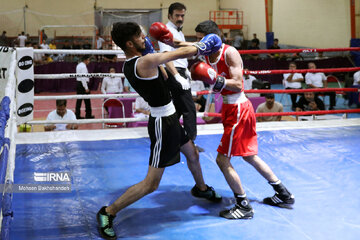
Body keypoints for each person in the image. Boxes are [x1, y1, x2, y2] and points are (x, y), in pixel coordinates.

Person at [96, 21, 223, 239]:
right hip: (162, 124)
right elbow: (183, 53)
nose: (144, 37)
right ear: (129, 43)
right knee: (151, 184)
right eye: (139, 36)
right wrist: (204, 44)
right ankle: (108, 212)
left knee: (192, 153)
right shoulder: (144, 62)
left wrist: (153, 48)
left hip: (171, 116)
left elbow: (165, 77)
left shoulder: (137, 62)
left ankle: (200, 188)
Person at [192, 20, 294, 220]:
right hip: (231, 109)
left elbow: (238, 84)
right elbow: (186, 50)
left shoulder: (229, 53)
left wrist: (215, 78)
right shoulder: (205, 53)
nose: (198, 44)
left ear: (212, 38)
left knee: (222, 159)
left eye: (200, 39)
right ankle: (283, 192)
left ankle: (243, 205)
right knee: (249, 155)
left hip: (238, 109)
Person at [157, 2, 202, 151]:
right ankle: (190, 144)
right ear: (170, 15)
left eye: (182, 15)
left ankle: (169, 139)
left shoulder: (178, 32)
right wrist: (177, 75)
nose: (180, 18)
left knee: (178, 109)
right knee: (189, 107)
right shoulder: (166, 31)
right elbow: (165, 55)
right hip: (174, 71)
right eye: (177, 15)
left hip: (180, 70)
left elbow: (180, 54)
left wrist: (186, 70)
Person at [75, 55, 94, 119]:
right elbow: (83, 78)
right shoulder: (83, 66)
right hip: (83, 84)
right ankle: (88, 115)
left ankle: (77, 115)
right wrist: (86, 87)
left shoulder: (79, 65)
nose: (89, 61)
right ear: (85, 60)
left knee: (79, 100)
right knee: (87, 100)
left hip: (79, 84)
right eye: (88, 60)